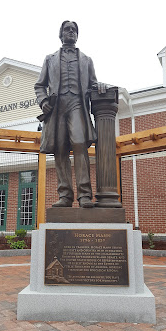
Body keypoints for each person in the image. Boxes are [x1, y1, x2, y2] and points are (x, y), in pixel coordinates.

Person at [35, 21, 105, 208]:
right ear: (61, 34)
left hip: (77, 105)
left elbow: (92, 84)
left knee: (80, 143)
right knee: (60, 149)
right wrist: (43, 102)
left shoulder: (86, 60)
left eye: (74, 30)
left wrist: (99, 86)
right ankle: (65, 195)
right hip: (57, 108)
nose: (71, 32)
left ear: (77, 35)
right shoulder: (50, 59)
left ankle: (84, 195)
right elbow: (40, 85)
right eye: (67, 29)